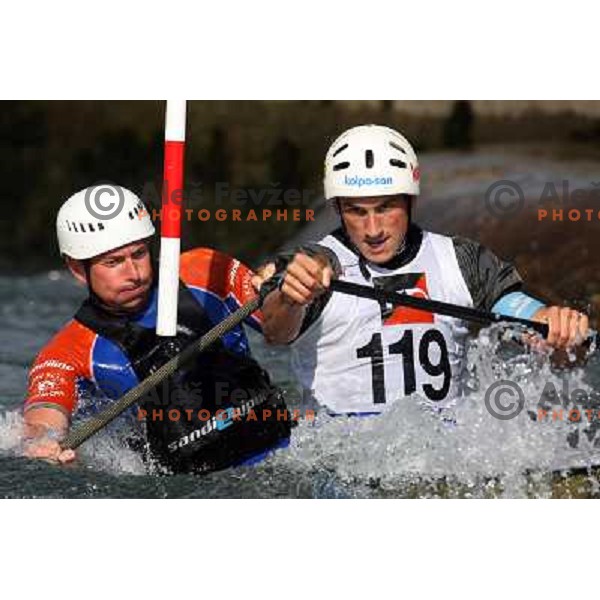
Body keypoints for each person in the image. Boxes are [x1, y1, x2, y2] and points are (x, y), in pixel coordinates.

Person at [255, 124, 590, 415]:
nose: (373, 230)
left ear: (411, 200)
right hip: (340, 463)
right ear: (337, 209)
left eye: (386, 207)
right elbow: (275, 331)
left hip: (440, 457)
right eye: (357, 211)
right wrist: (290, 299)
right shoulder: (312, 265)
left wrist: (557, 328)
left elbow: (531, 323)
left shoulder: (462, 260)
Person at [23, 185, 292, 472]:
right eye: (114, 262)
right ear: (78, 269)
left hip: (282, 453)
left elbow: (282, 325)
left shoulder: (208, 271)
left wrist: (284, 288)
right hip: (183, 483)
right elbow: (44, 416)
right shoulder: (68, 350)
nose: (135, 273)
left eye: (138, 253)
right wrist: (43, 444)